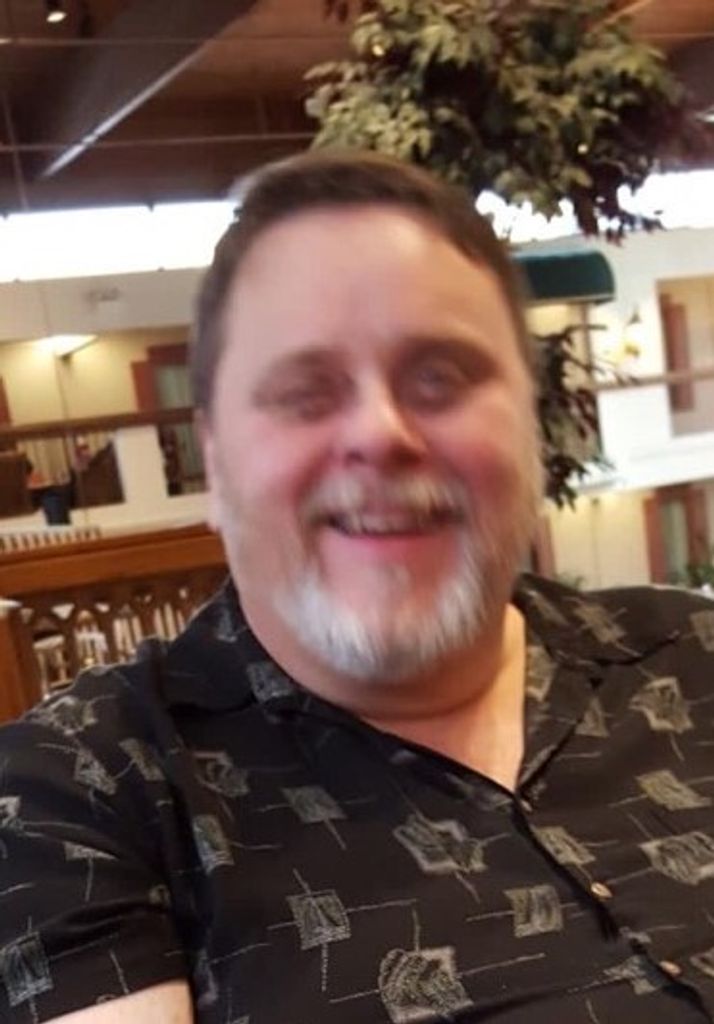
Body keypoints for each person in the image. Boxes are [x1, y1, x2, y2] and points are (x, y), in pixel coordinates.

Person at [0, 151, 713, 1024]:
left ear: (530, 424)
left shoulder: (691, 652)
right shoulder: (78, 793)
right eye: (305, 392)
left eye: (441, 377)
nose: (380, 433)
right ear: (216, 463)